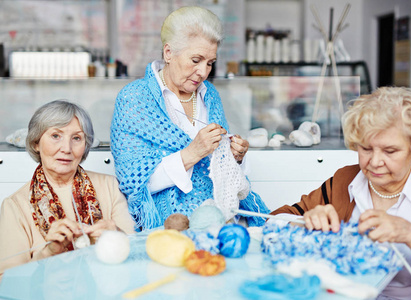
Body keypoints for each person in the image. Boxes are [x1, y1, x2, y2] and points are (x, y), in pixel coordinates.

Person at [271, 87, 411, 299]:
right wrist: (302, 222)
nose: (374, 162)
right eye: (365, 148)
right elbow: (271, 223)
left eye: (389, 151)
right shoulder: (345, 180)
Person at [110, 6, 269, 230]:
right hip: (170, 224)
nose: (204, 72)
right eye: (196, 60)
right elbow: (133, 184)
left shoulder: (210, 95)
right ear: (168, 53)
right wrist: (192, 153)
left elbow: (221, 171)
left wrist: (235, 156)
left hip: (221, 216)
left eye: (210, 63)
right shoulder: (134, 99)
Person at [0, 100, 135, 280]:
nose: (66, 149)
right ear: (36, 143)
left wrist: (117, 234)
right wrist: (48, 253)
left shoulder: (110, 186)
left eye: (77, 138)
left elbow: (136, 259)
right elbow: (7, 281)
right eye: (56, 136)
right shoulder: (14, 206)